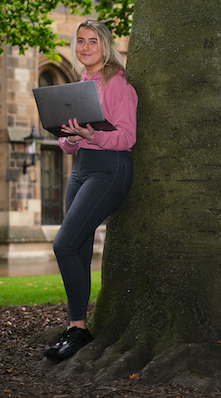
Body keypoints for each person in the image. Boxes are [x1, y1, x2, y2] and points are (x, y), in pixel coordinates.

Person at [43, 19, 137, 361]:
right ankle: (76, 327)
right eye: (80, 41)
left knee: (64, 243)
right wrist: (70, 137)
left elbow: (127, 137)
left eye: (92, 41)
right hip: (81, 169)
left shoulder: (118, 84)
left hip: (110, 169)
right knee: (77, 249)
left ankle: (77, 329)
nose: (85, 47)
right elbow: (69, 145)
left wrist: (90, 136)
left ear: (106, 46)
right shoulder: (79, 86)